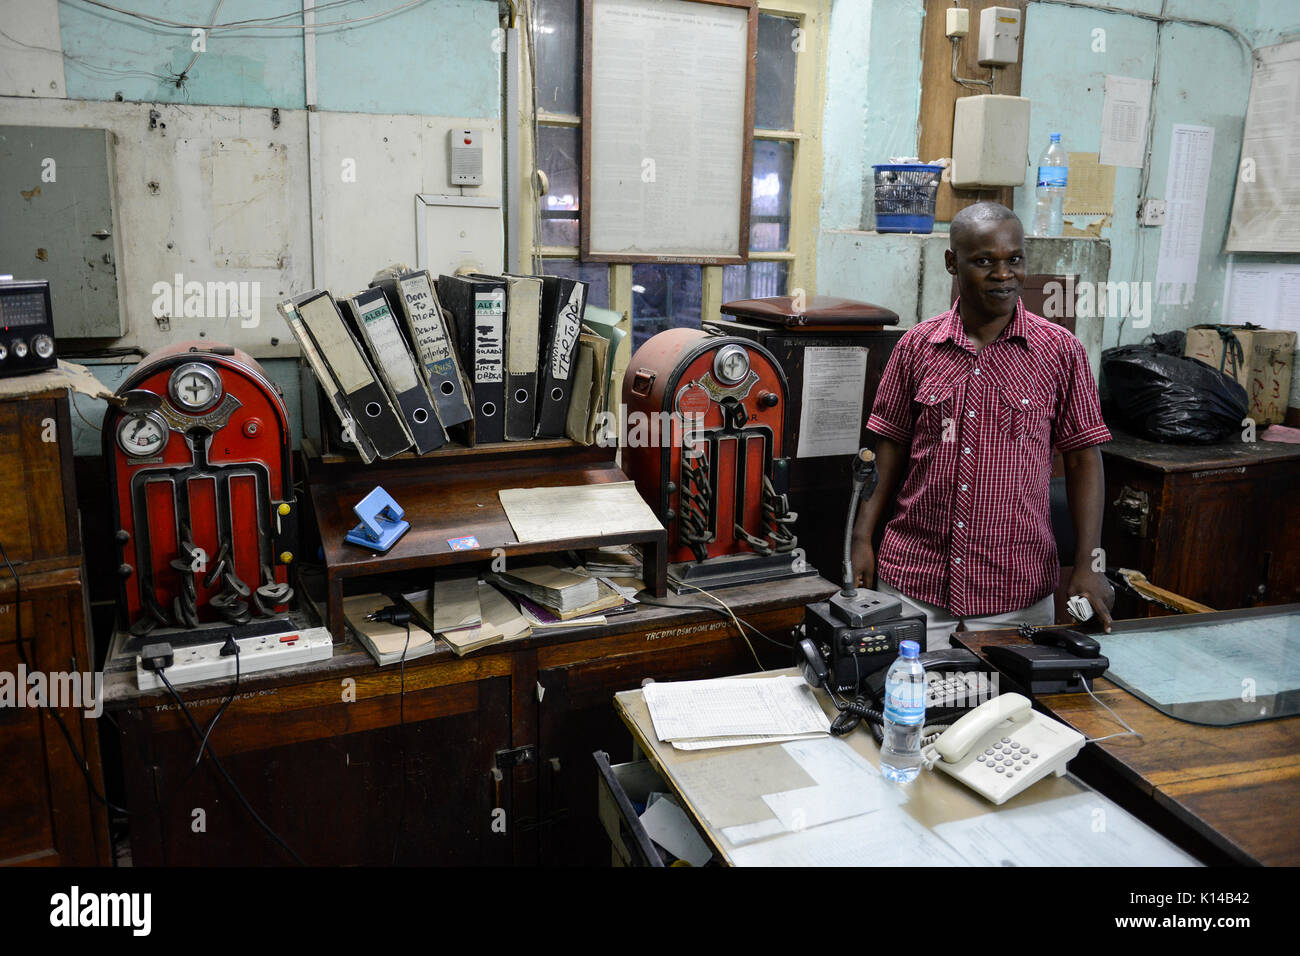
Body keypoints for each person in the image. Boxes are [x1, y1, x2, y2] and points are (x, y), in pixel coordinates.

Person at [850, 202, 1115, 649]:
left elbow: (1084, 459)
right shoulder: (917, 346)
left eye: (1014, 259)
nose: (1003, 274)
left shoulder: (1060, 352)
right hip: (915, 582)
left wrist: (1090, 563)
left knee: (1010, 715)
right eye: (983, 261)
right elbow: (887, 449)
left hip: (1016, 591)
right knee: (903, 706)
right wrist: (860, 539)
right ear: (952, 262)